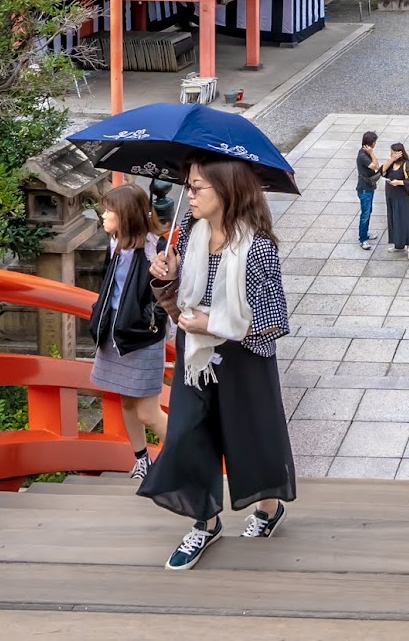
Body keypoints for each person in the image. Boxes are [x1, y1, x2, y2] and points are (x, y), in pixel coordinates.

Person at [141, 158, 295, 568]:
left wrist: (216, 322)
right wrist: (165, 277)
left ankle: (267, 509)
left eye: (197, 188)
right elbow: (181, 303)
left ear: (226, 191)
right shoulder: (191, 233)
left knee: (250, 438)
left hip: (243, 355)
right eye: (188, 187)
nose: (188, 195)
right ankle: (204, 522)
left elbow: (274, 317)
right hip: (198, 356)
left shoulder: (257, 246)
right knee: (186, 434)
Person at [89, 182, 168, 482]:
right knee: (126, 401)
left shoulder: (155, 248)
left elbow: (169, 296)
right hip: (115, 332)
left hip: (142, 335)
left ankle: (187, 457)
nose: (104, 215)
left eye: (109, 210)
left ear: (126, 214)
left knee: (148, 411)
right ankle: (142, 460)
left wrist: (152, 315)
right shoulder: (115, 243)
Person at [382, 142, 409, 259]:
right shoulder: (391, 163)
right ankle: (397, 243)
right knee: (393, 219)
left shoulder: (406, 165)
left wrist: (399, 182)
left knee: (404, 220)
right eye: (391, 153)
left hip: (402, 196)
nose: (392, 155)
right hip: (391, 195)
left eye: (394, 153)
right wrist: (391, 160)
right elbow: (381, 172)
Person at [354, 129, 382, 250]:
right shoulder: (363, 156)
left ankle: (365, 233)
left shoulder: (363, 153)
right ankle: (363, 239)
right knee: (365, 213)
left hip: (368, 187)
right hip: (364, 189)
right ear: (371, 143)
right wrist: (372, 153)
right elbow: (376, 166)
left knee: (368, 211)